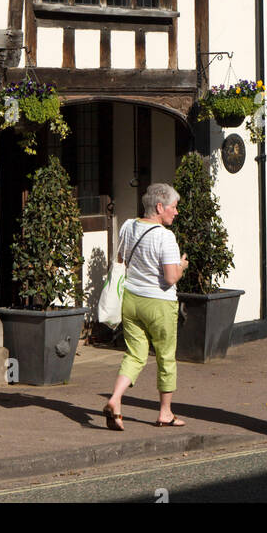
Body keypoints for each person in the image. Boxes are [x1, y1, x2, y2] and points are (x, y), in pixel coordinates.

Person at [103, 182, 189, 431]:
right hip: (159, 304)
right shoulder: (166, 237)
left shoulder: (128, 226)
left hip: (131, 300)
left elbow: (120, 259)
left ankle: (116, 399)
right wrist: (182, 265)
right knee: (165, 357)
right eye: (173, 207)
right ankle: (165, 412)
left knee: (134, 354)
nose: (176, 212)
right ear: (160, 207)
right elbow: (171, 278)